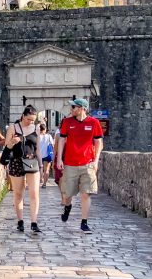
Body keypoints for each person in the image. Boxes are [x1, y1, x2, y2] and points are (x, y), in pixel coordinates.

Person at [55, 97, 104, 233]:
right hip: (70, 164)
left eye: (74, 107)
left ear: (82, 108)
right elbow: (62, 140)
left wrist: (96, 161)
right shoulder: (67, 122)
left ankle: (84, 222)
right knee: (66, 195)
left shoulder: (94, 123)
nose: (71, 109)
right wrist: (59, 159)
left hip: (87, 164)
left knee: (85, 194)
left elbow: (98, 143)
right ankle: (68, 207)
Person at [3, 104, 42, 233]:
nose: (30, 122)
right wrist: (13, 142)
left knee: (34, 193)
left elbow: (38, 149)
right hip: (16, 162)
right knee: (18, 193)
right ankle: (20, 221)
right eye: (28, 119)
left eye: (32, 120)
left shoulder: (36, 129)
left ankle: (34, 222)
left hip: (32, 162)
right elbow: (6, 147)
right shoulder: (13, 128)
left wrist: (41, 165)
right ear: (23, 116)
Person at [38, 123, 55, 188]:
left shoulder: (37, 136)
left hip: (39, 155)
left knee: (39, 168)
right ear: (44, 129)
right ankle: (44, 184)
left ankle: (40, 179)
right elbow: (53, 145)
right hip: (47, 154)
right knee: (46, 170)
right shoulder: (48, 136)